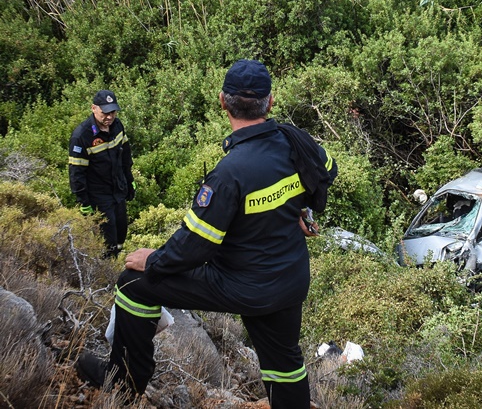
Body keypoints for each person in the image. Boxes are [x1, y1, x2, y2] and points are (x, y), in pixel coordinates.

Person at [76, 59, 337, 408]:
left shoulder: (229, 174)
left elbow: (195, 245)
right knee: (285, 365)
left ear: (222, 101)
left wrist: (152, 259)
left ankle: (123, 384)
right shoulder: (295, 142)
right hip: (289, 278)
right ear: (270, 102)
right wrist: (300, 209)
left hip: (242, 283)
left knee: (132, 285)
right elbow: (326, 171)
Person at [69, 90, 135, 258]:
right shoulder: (82, 136)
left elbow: (126, 156)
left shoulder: (117, 126)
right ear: (94, 108)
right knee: (108, 239)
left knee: (121, 232)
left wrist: (130, 181)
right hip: (99, 196)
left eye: (112, 112)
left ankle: (116, 260)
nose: (109, 116)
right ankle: (106, 271)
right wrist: (83, 202)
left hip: (118, 190)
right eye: (105, 112)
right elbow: (77, 174)